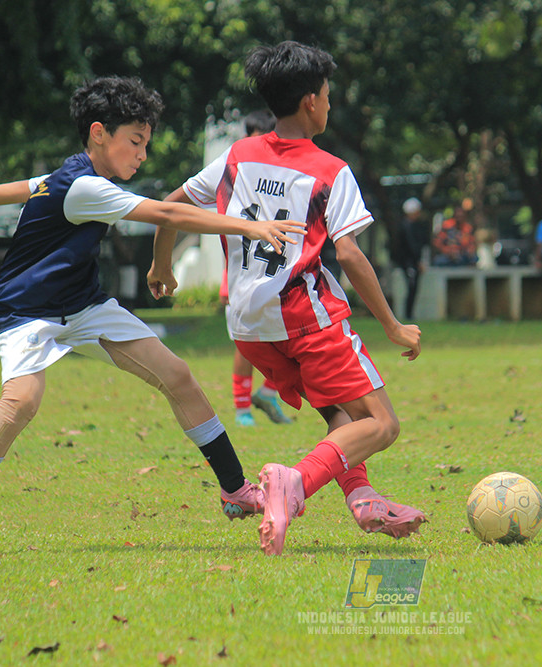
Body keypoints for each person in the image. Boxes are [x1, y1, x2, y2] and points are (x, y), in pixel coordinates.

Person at [0, 76, 306, 557]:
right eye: (136, 142)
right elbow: (170, 215)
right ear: (99, 133)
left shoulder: (71, 174)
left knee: (177, 375)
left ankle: (234, 488)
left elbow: (21, 188)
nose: (142, 154)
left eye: (146, 143)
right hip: (29, 311)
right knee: (21, 402)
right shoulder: (86, 187)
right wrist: (251, 225)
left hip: (85, 306)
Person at [148, 40, 426, 555]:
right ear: (310, 102)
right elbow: (349, 255)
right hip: (307, 319)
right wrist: (391, 325)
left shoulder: (239, 155)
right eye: (327, 94)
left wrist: (161, 264)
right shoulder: (330, 169)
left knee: (338, 415)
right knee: (382, 423)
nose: (329, 103)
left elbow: (169, 209)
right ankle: (292, 482)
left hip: (250, 328)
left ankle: (362, 498)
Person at [225, 108, 293, 427]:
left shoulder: (280, 171)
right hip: (243, 271)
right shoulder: (233, 167)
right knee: (247, 342)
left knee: (284, 340)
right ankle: (242, 408)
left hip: (275, 270)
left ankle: (268, 393)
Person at [392, 197, 429, 320]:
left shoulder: (411, 225)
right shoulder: (407, 226)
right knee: (412, 287)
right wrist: (418, 261)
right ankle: (408, 315)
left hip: (410, 262)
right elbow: (412, 246)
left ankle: (409, 314)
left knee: (413, 288)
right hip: (409, 262)